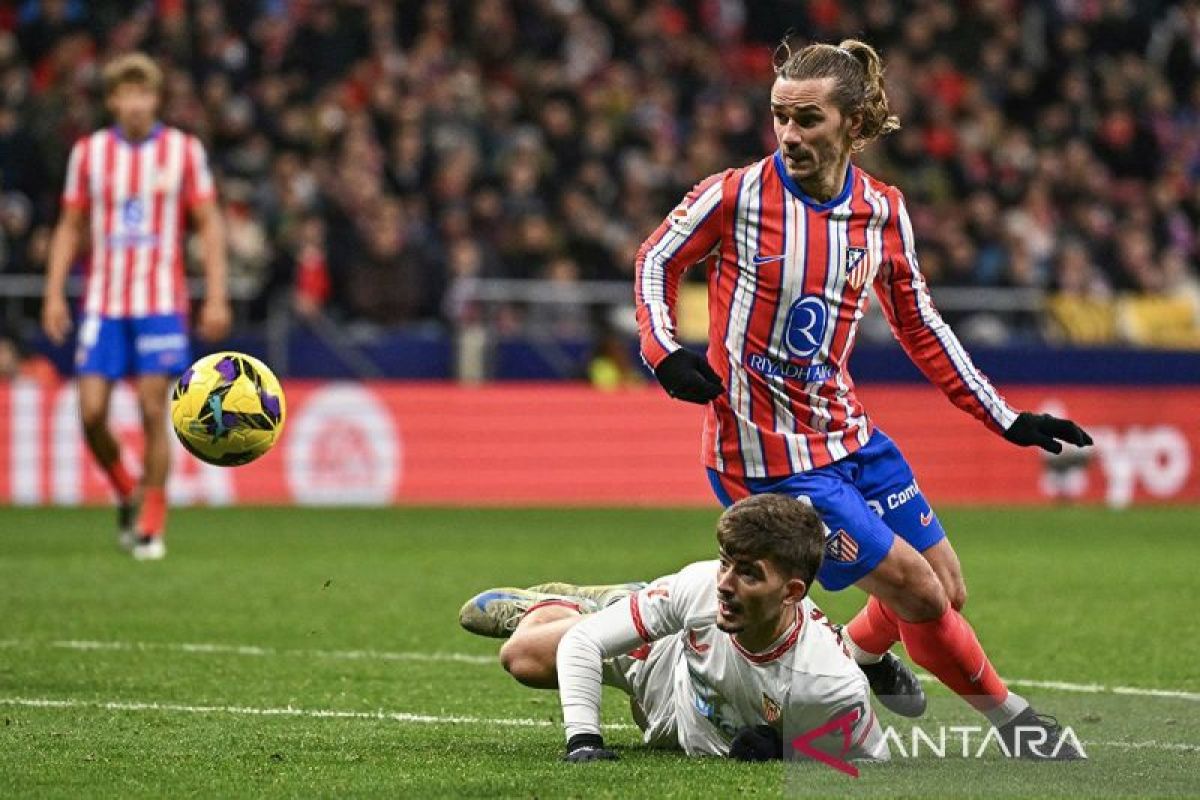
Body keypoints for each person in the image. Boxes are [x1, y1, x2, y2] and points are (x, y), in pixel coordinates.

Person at [633, 39, 1092, 759]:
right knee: (919, 593)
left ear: (851, 123)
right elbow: (657, 257)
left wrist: (1005, 416)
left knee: (945, 589)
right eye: (779, 117)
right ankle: (1017, 723)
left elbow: (919, 323)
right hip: (769, 460)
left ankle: (859, 654)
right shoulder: (736, 194)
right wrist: (663, 352)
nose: (789, 134)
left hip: (849, 437)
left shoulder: (882, 210)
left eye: (808, 119)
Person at [460, 494, 890, 764]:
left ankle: (624, 604)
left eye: (748, 574)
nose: (724, 584)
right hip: (669, 665)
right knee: (522, 657)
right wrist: (584, 742)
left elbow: (875, 765)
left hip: (688, 722)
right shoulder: (703, 587)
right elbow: (582, 642)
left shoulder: (831, 684)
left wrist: (787, 751)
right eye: (724, 561)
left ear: (792, 592)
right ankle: (582, 605)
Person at [41, 53, 230, 561]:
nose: (137, 102)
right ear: (113, 100)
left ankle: (151, 520)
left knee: (153, 406)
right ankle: (126, 486)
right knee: (91, 411)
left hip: (160, 302)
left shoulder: (184, 151)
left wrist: (215, 293)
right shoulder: (90, 154)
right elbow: (70, 225)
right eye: (127, 93)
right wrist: (54, 291)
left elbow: (209, 222)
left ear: (156, 98)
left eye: (145, 93)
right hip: (103, 302)